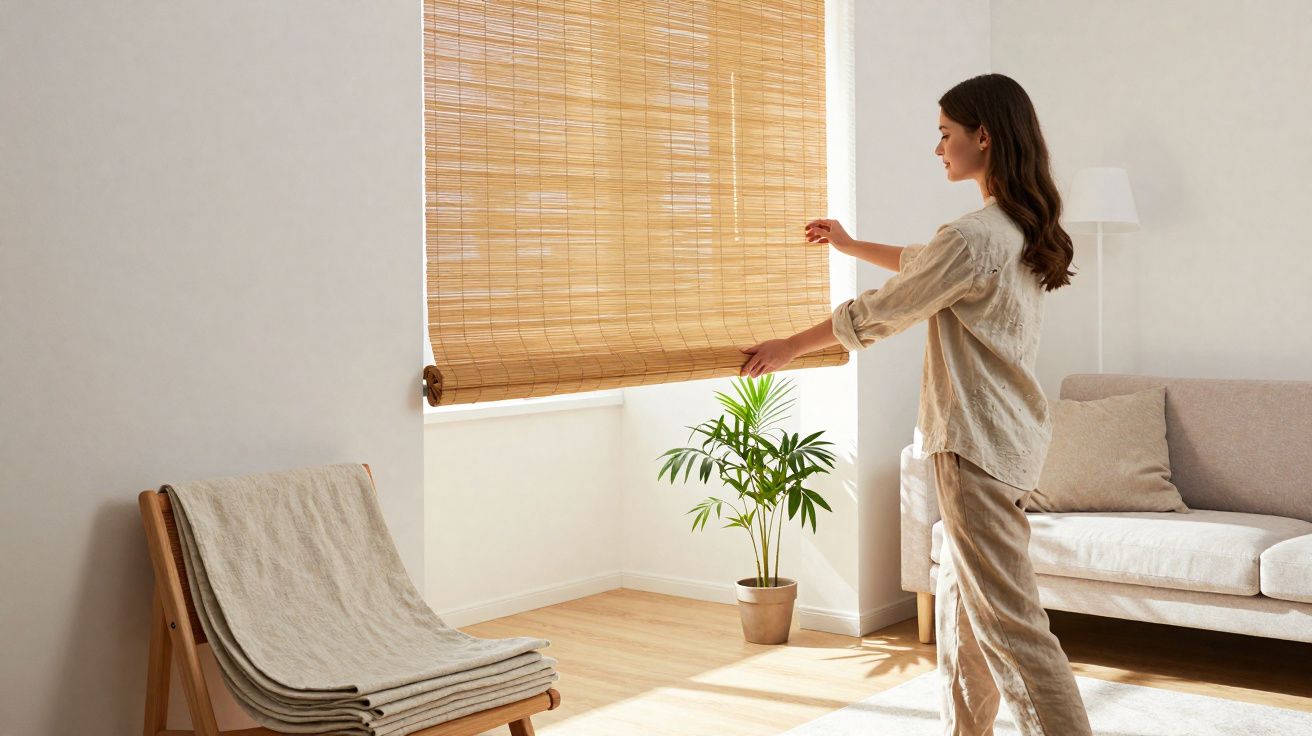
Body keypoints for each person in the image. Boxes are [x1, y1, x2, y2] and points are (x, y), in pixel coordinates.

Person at [737, 73, 1093, 736]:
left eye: (945, 133)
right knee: (963, 609)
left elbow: (885, 309)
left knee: (1011, 628)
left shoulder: (973, 236)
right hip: (1013, 443)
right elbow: (926, 264)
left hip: (974, 445)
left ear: (983, 137)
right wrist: (850, 245)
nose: (937, 148)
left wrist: (791, 345)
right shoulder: (1016, 228)